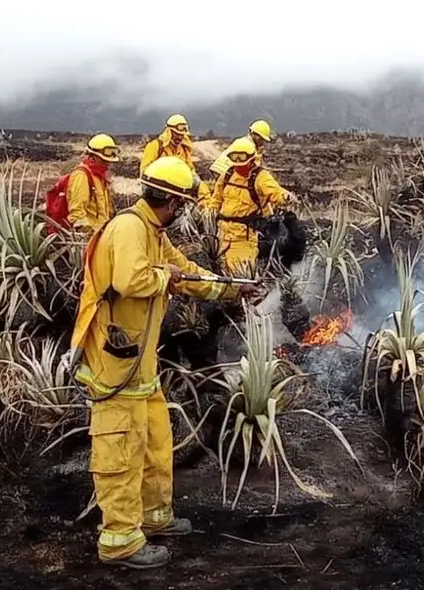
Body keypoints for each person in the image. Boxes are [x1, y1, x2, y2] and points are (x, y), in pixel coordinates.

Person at [70, 156, 259, 569]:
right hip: (114, 367)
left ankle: (154, 518)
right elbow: (131, 280)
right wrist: (166, 277)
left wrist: (233, 290)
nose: (183, 212)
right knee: (120, 450)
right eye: (183, 206)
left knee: (156, 442)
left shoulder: (152, 231)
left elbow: (187, 272)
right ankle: (119, 541)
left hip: (141, 366)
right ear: (172, 203)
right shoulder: (129, 229)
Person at [201, 136, 291, 274]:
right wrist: (208, 215)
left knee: (240, 279)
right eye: (234, 159)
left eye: (242, 159)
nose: (238, 164)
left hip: (244, 239)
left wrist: (285, 198)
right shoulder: (227, 175)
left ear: (252, 159)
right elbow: (216, 200)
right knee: (222, 276)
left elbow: (275, 192)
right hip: (222, 237)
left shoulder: (260, 177)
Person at [66, 133, 119, 234]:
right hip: (90, 239)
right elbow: (77, 213)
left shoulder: (100, 177)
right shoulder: (82, 176)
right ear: (92, 156)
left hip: (102, 235)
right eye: (104, 159)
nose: (108, 163)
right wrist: (88, 235)